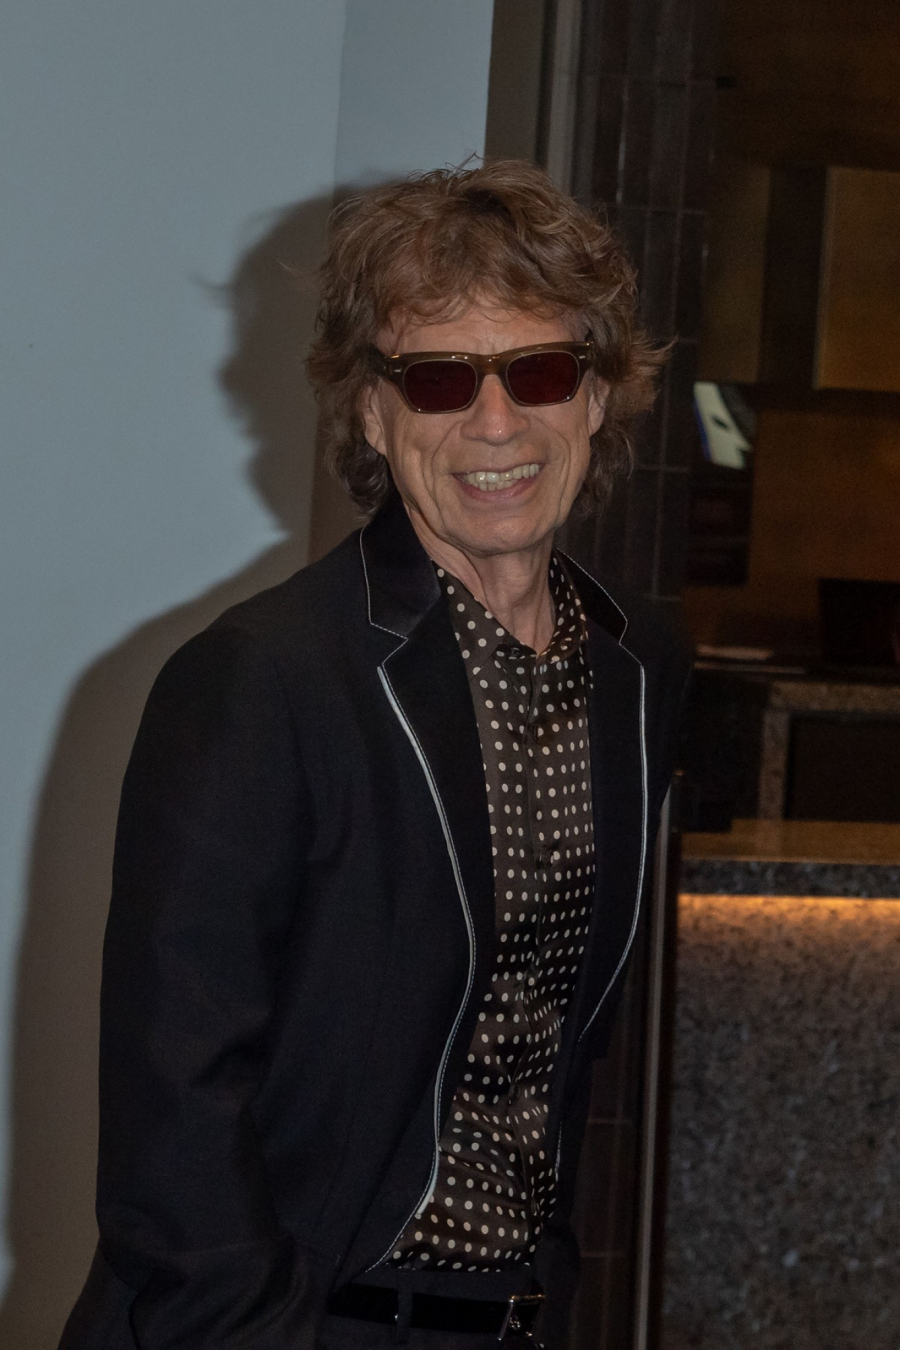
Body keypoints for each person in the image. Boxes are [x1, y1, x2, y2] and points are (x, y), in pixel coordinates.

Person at [60, 159, 691, 1350]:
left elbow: (568, 1056)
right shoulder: (264, 680)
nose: (495, 424)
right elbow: (174, 1098)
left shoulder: (635, 668)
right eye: (440, 380)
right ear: (371, 412)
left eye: (539, 372)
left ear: (597, 396)